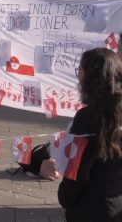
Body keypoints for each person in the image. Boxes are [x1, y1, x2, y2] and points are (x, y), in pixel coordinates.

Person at [58, 47, 122, 222]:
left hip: (89, 209)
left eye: (81, 70)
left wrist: (65, 196)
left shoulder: (87, 117)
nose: (78, 75)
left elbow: (77, 172)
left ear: (91, 77)